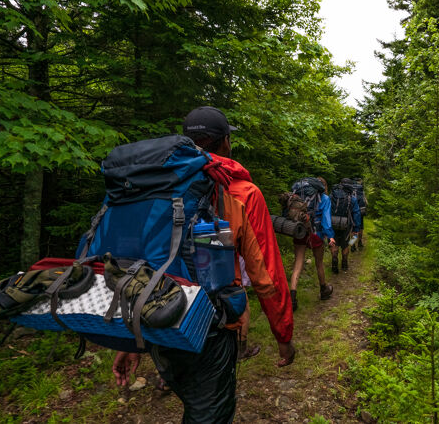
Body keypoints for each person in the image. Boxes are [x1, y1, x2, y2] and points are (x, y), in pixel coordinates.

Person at [112, 106, 296, 423]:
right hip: (211, 329)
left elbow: (140, 263)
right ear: (225, 142)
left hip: (158, 322)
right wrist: (283, 336)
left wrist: (131, 339)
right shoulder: (240, 193)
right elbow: (265, 275)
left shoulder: (157, 188)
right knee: (210, 413)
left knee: (195, 403)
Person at [288, 177, 334, 312]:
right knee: (319, 263)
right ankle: (323, 289)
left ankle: (293, 296)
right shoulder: (324, 198)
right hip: (315, 233)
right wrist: (330, 236)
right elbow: (326, 220)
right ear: (323, 187)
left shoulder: (300, 194)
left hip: (300, 230)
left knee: (298, 262)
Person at [330, 179, 362, 273]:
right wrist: (356, 228)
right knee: (345, 245)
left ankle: (334, 262)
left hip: (333, 223)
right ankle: (344, 264)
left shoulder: (332, 196)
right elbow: (356, 213)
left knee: (334, 243)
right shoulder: (352, 198)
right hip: (346, 225)